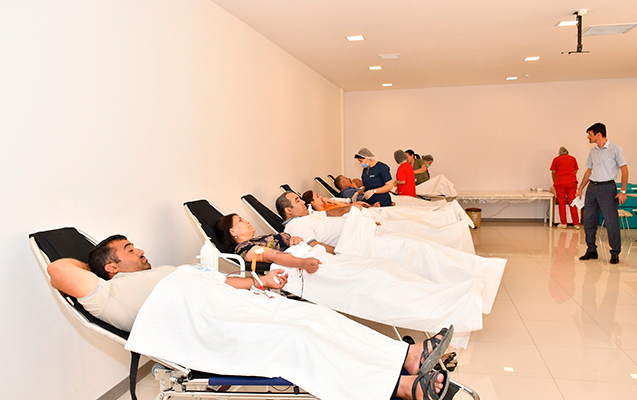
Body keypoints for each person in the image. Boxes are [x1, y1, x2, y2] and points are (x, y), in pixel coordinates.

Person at [46, 234, 452, 400]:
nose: (139, 250)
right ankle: (400, 388)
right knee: (297, 338)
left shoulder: (161, 272)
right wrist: (95, 268)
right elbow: (58, 270)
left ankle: (408, 356)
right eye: (128, 250)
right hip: (212, 333)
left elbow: (219, 283)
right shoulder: (108, 294)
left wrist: (262, 283)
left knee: (316, 318)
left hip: (235, 310)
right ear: (111, 267)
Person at [576, 123, 629, 264]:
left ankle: (615, 252)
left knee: (611, 222)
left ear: (598, 134)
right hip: (592, 188)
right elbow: (589, 171)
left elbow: (624, 170)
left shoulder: (616, 149)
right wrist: (581, 188)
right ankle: (591, 250)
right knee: (589, 221)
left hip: (607, 188)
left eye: (590, 134)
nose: (588, 137)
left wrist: (623, 191)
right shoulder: (592, 152)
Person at [550, 146, 580, 229]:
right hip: (572, 183)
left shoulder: (556, 159)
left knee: (562, 203)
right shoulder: (573, 159)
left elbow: (553, 172)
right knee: (572, 202)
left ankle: (563, 223)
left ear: (559, 153)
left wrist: (555, 181)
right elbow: (575, 170)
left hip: (560, 183)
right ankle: (576, 223)